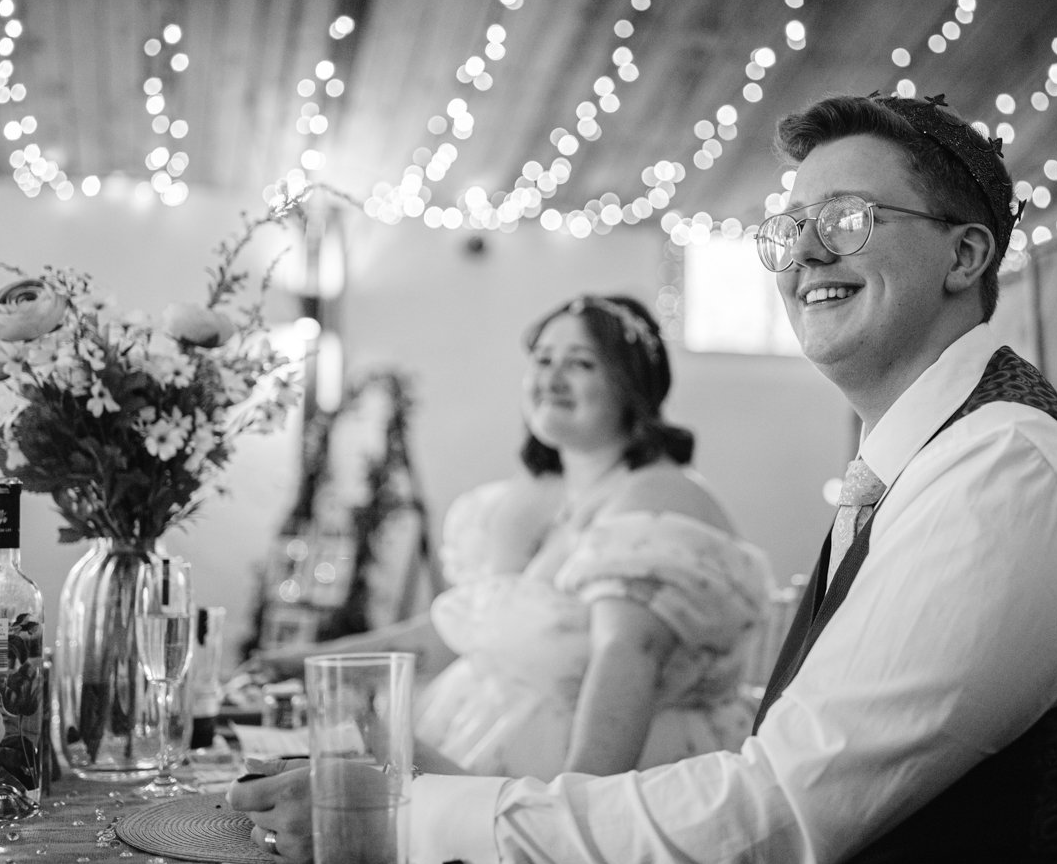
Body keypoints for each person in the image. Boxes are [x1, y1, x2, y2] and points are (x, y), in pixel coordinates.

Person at [232, 94, 1057, 864]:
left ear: (964, 254)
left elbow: (769, 817)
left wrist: (403, 813)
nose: (801, 250)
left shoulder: (1006, 470)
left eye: (844, 216)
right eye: (787, 226)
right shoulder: (923, 458)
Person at [247, 294, 774, 779]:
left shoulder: (658, 497)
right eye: (543, 360)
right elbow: (461, 629)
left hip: (614, 773)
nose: (553, 377)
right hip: (476, 746)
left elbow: (628, 655)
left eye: (581, 363)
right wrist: (314, 663)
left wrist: (566, 818)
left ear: (632, 386)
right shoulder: (533, 498)